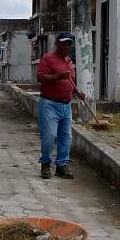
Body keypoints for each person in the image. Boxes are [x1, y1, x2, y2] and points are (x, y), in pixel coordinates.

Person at [37, 32, 84, 180]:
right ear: (57, 43)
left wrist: (77, 92)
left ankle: (61, 166)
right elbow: (41, 77)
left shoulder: (69, 61)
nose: (66, 46)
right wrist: (58, 76)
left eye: (69, 44)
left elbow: (70, 81)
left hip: (66, 105)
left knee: (66, 137)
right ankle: (45, 164)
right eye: (63, 43)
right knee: (49, 136)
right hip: (49, 104)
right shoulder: (47, 58)